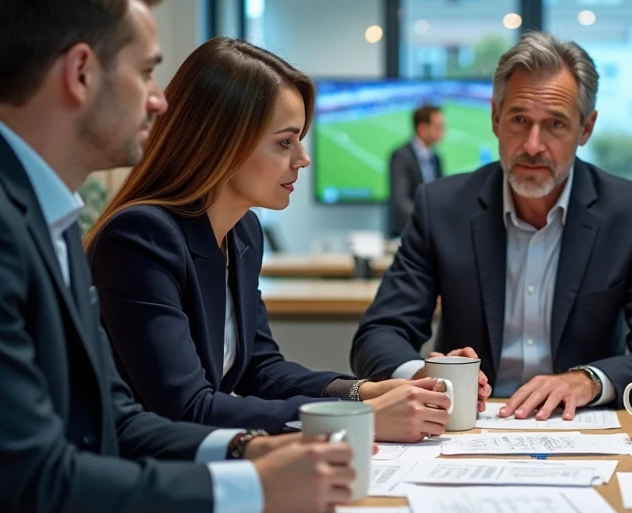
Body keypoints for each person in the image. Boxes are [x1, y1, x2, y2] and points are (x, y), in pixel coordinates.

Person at [0, 0, 355, 513]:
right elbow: (41, 482)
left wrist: (250, 448)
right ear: (81, 72)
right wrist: (252, 488)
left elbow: (116, 419)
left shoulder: (37, 212)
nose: (159, 100)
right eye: (147, 71)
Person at [86, 38, 476, 441]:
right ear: (223, 143)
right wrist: (360, 416)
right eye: (285, 142)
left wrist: (364, 392)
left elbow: (261, 368)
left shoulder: (243, 231)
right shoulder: (140, 238)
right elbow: (187, 408)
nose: (303, 158)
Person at [351, 31, 632, 420]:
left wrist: (587, 380)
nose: (533, 145)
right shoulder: (442, 207)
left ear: (585, 128)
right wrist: (425, 378)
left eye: (555, 124)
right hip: (469, 424)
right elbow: (379, 334)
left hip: (583, 424)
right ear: (496, 118)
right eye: (519, 120)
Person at [388, 104, 445, 237]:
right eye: (438, 127)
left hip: (430, 235)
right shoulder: (401, 156)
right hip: (406, 234)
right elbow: (400, 201)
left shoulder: (436, 159)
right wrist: (427, 220)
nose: (442, 131)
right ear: (422, 128)